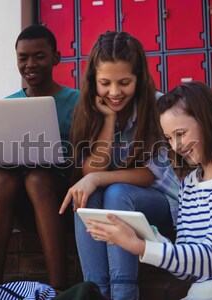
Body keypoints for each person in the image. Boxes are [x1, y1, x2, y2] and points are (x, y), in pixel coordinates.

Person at [85, 81, 212, 300]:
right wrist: (147, 236)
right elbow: (184, 270)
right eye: (169, 138)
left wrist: (139, 246)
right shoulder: (189, 184)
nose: (176, 146)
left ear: (207, 121)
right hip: (202, 294)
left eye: (181, 133)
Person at [59, 31, 180, 300]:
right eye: (105, 83)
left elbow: (149, 175)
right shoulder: (90, 109)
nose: (114, 92)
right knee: (90, 195)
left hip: (162, 204)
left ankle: (124, 294)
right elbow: (91, 171)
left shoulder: (158, 106)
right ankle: (95, 291)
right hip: (120, 205)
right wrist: (109, 120)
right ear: (94, 81)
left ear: (138, 79)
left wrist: (99, 179)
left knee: (115, 193)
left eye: (124, 82)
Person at [0, 24, 79, 291]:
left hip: (58, 199)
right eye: (23, 57)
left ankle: (60, 287)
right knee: (2, 178)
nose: (30, 64)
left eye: (39, 55)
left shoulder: (77, 101)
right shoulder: (7, 103)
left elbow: (86, 157)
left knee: (37, 178)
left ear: (56, 58)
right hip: (17, 202)